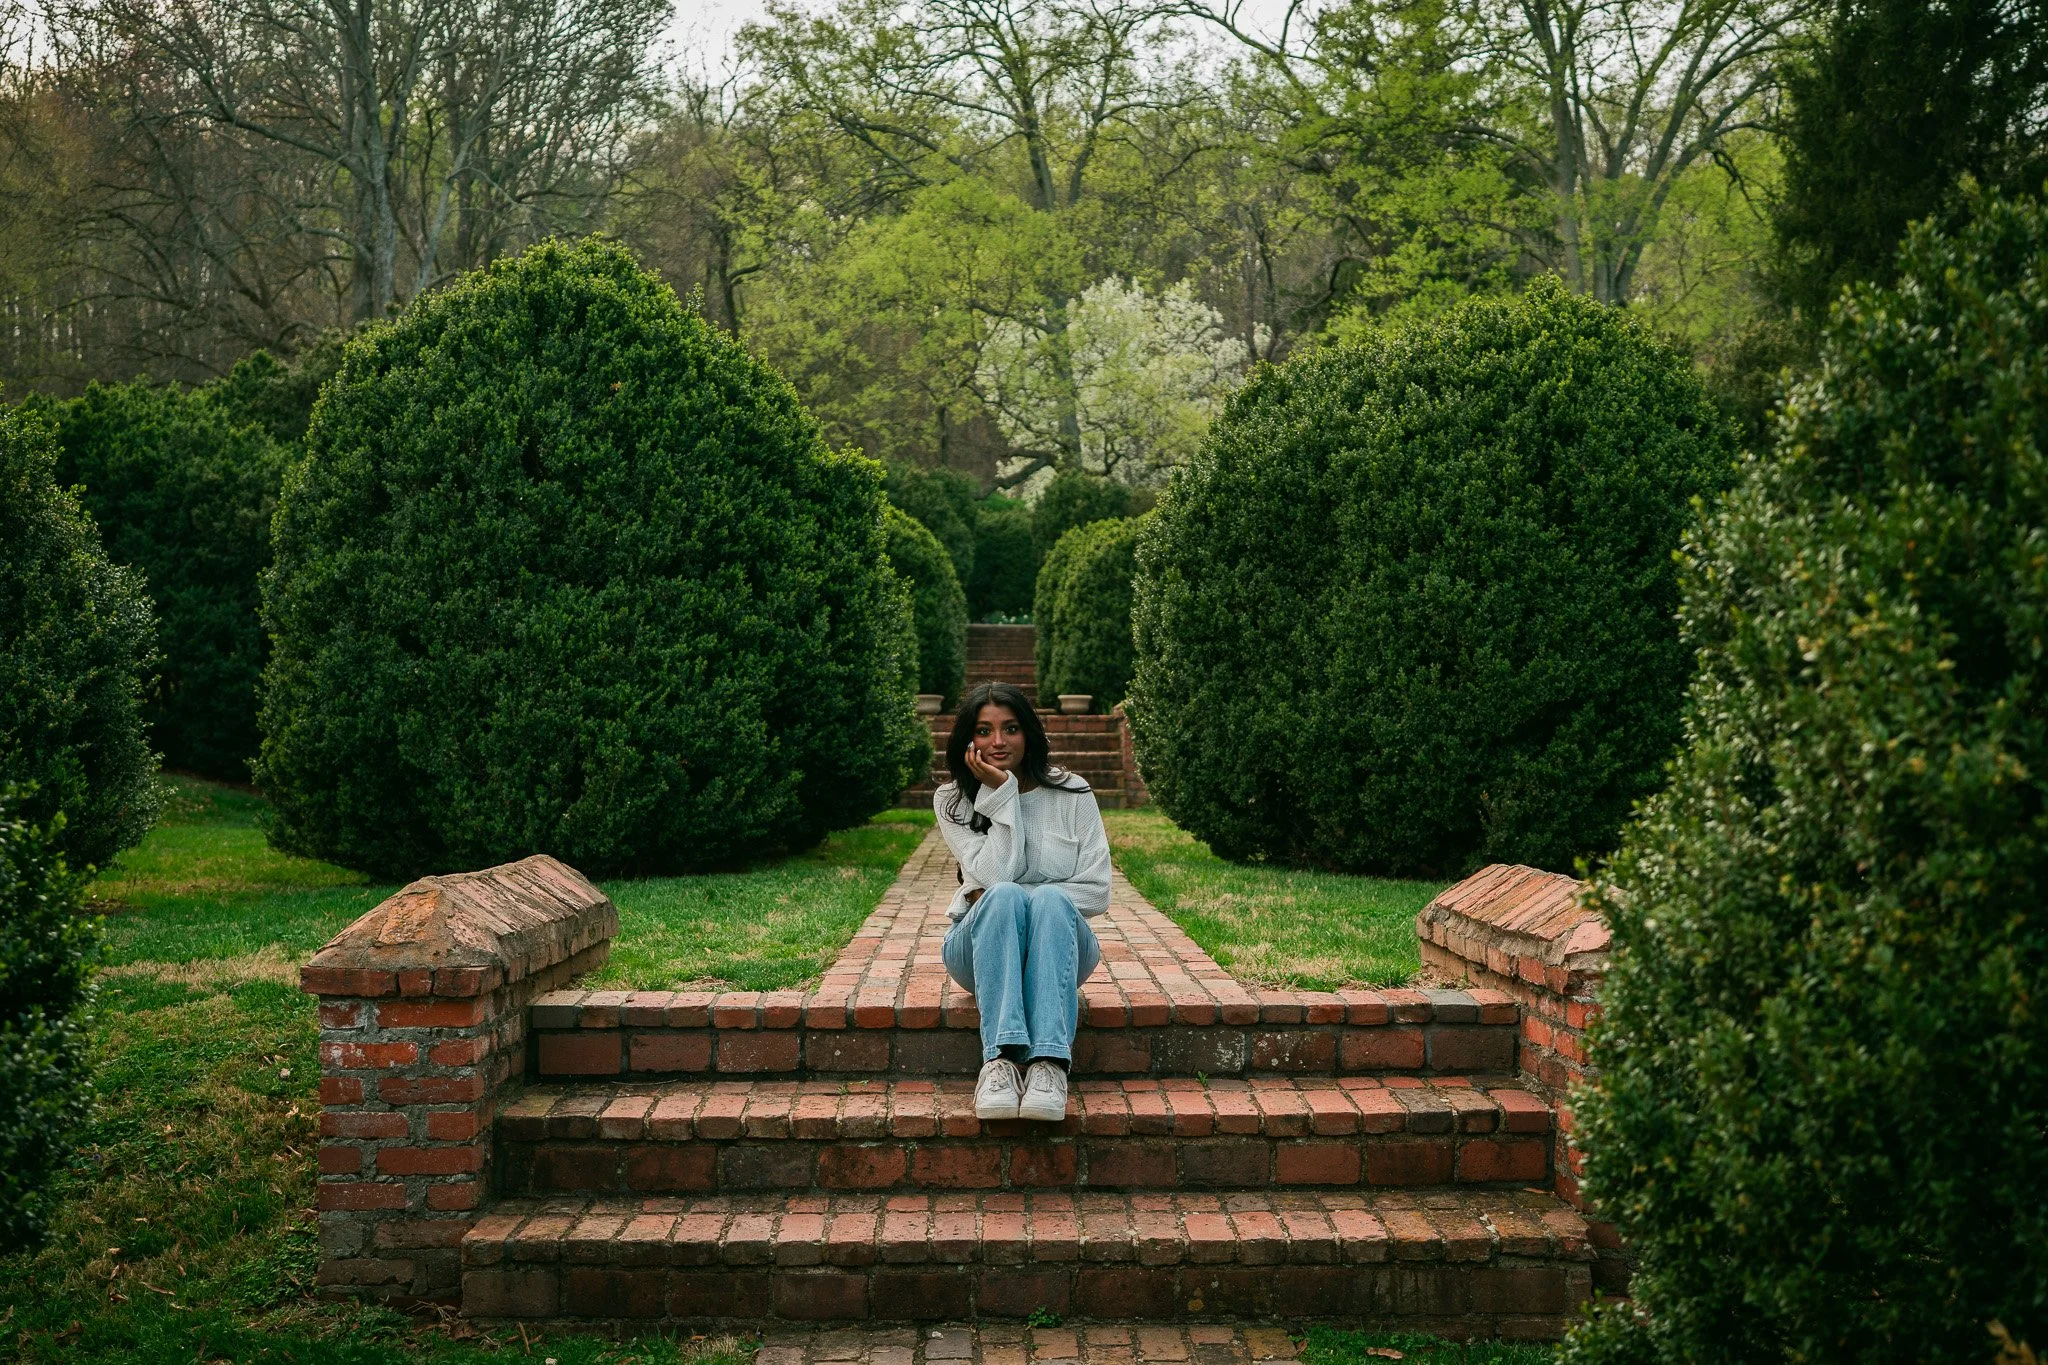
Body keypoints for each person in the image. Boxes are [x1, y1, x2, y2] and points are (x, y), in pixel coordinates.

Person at [934, 681, 1112, 1122]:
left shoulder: (1074, 793)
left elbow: (1095, 891)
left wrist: (1016, 898)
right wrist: (1002, 796)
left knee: (1044, 899)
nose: (997, 742)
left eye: (1010, 728)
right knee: (1004, 895)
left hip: (1062, 945)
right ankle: (999, 1062)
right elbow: (997, 877)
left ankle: (1049, 1065)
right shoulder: (952, 801)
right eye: (983, 730)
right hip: (979, 951)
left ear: (1028, 733)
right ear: (967, 740)